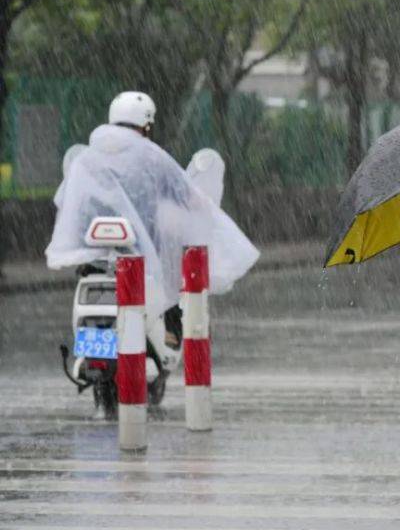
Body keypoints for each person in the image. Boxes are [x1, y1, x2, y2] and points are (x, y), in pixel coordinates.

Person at [46, 91, 258, 348]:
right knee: (169, 277)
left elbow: (67, 199)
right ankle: (168, 330)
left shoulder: (87, 158)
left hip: (95, 254)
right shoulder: (152, 156)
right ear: (146, 123)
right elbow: (184, 193)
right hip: (139, 252)